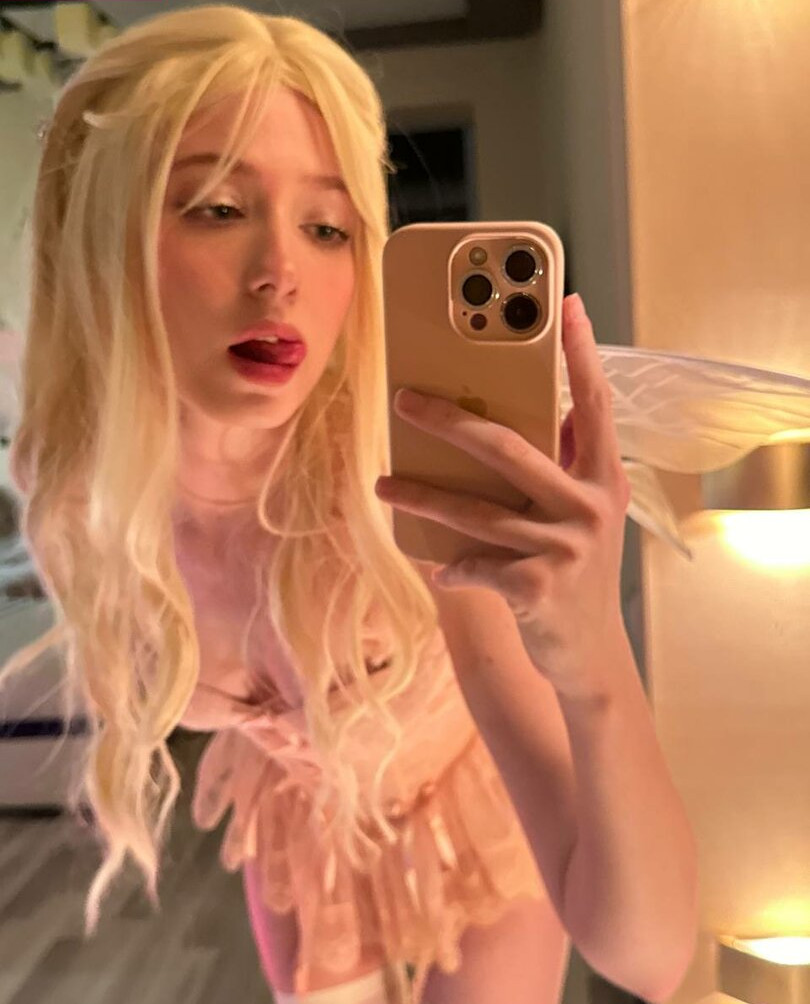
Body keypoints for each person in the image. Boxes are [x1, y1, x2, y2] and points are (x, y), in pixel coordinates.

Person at [3, 5, 698, 1003]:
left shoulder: (407, 484)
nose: (281, 273)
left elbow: (650, 958)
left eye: (328, 227)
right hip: (304, 821)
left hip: (475, 804)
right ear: (96, 236)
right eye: (216, 207)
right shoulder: (78, 488)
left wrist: (592, 656)